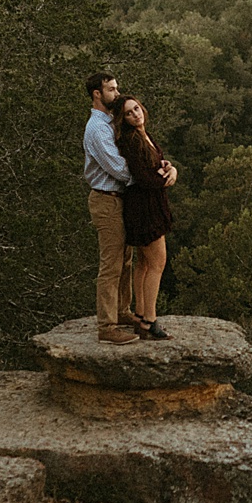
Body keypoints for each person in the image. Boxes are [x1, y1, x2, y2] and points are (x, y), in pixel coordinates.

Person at [82, 73, 175, 343]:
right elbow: (120, 169)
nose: (116, 92)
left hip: (122, 198)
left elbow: (145, 154)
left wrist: (165, 167)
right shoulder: (97, 129)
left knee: (126, 260)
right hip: (106, 198)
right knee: (111, 265)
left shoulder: (112, 122)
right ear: (97, 94)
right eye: (111, 89)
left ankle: (123, 311)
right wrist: (155, 177)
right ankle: (107, 327)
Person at [112, 94, 175, 339]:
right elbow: (143, 177)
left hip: (149, 204)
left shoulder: (143, 135)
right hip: (144, 207)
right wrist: (166, 178)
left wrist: (169, 167)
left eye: (136, 108)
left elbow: (155, 164)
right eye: (129, 113)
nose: (136, 114)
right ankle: (150, 320)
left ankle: (140, 315)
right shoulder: (130, 141)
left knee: (144, 263)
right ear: (123, 119)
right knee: (158, 263)